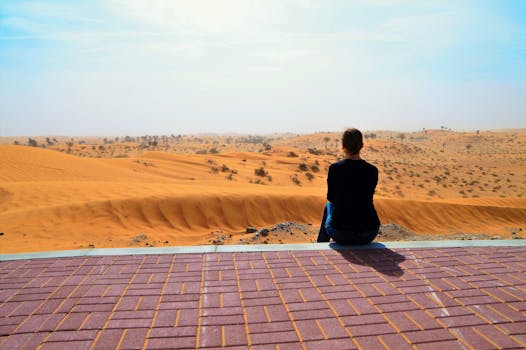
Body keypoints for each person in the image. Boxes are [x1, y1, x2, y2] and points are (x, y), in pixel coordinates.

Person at [317, 128, 380, 244]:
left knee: (328, 206)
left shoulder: (335, 169)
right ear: (362, 146)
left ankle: (321, 247)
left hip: (340, 233)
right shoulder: (373, 170)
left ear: (343, 146)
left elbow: (331, 198)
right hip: (370, 232)